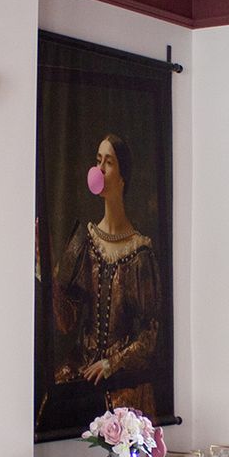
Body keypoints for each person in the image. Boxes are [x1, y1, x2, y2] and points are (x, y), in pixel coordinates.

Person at [52, 133, 163, 417]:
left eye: (109, 162)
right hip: (81, 371)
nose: (99, 170)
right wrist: (48, 274)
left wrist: (111, 363)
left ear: (123, 176)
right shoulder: (85, 241)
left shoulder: (140, 252)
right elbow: (66, 323)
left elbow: (149, 336)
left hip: (122, 382)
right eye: (98, 161)